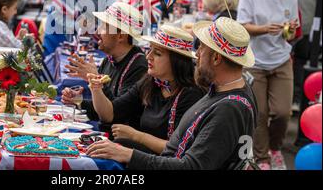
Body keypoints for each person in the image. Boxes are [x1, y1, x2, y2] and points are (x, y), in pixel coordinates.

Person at [87, 17, 258, 170]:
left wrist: (129, 154)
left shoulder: (229, 108)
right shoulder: (224, 90)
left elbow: (191, 166)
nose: (196, 55)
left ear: (216, 58)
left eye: (201, 48)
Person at [87, 25, 203, 154]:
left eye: (157, 53)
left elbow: (178, 148)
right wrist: (96, 89)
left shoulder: (191, 94)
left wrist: (136, 136)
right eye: (149, 50)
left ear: (176, 61)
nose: (148, 56)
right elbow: (109, 114)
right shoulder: (150, 81)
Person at [237, 0, 299, 170]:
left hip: (281, 59)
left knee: (283, 112)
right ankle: (262, 158)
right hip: (255, 61)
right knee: (260, 113)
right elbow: (241, 26)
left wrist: (288, 31)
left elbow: (290, 33)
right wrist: (264, 29)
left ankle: (275, 148)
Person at [62, 1, 148, 123]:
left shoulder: (139, 67)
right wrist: (78, 102)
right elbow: (100, 111)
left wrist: (97, 80)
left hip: (120, 140)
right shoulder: (109, 59)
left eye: (104, 26)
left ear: (120, 36)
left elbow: (114, 114)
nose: (97, 31)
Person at [285, 0, 320, 109]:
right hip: (304, 25)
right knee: (298, 62)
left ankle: (288, 98)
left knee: (285, 61)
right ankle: (295, 98)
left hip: (280, 25)